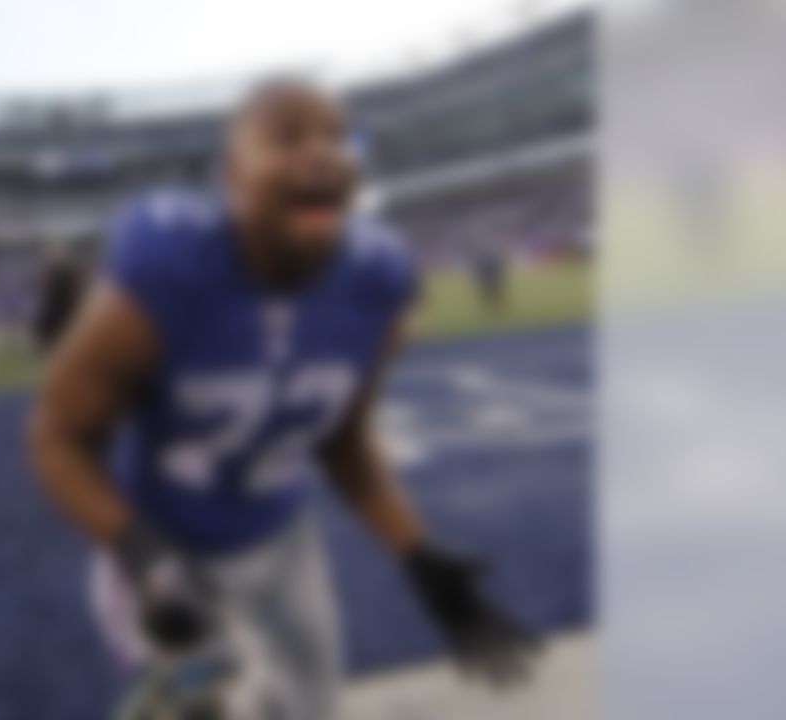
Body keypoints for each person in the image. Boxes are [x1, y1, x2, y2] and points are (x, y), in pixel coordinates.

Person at [28, 78, 540, 719]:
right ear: (230, 176)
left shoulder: (377, 279)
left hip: (283, 540)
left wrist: (416, 553)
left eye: (335, 135)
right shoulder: (167, 264)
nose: (321, 152)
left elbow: (344, 441)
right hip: (164, 550)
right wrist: (145, 560)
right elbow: (59, 436)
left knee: (313, 708)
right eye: (287, 136)